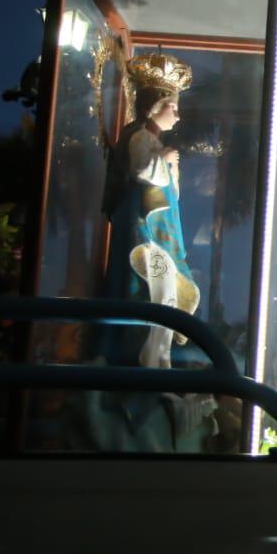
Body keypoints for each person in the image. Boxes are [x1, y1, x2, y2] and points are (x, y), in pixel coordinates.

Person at [100, 52, 199, 370]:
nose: (177, 116)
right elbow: (143, 172)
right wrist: (165, 162)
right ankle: (148, 357)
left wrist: (171, 168)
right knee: (158, 290)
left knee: (166, 294)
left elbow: (172, 195)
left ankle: (160, 358)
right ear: (157, 104)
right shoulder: (140, 137)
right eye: (174, 107)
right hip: (145, 231)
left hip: (162, 231)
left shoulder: (156, 143)